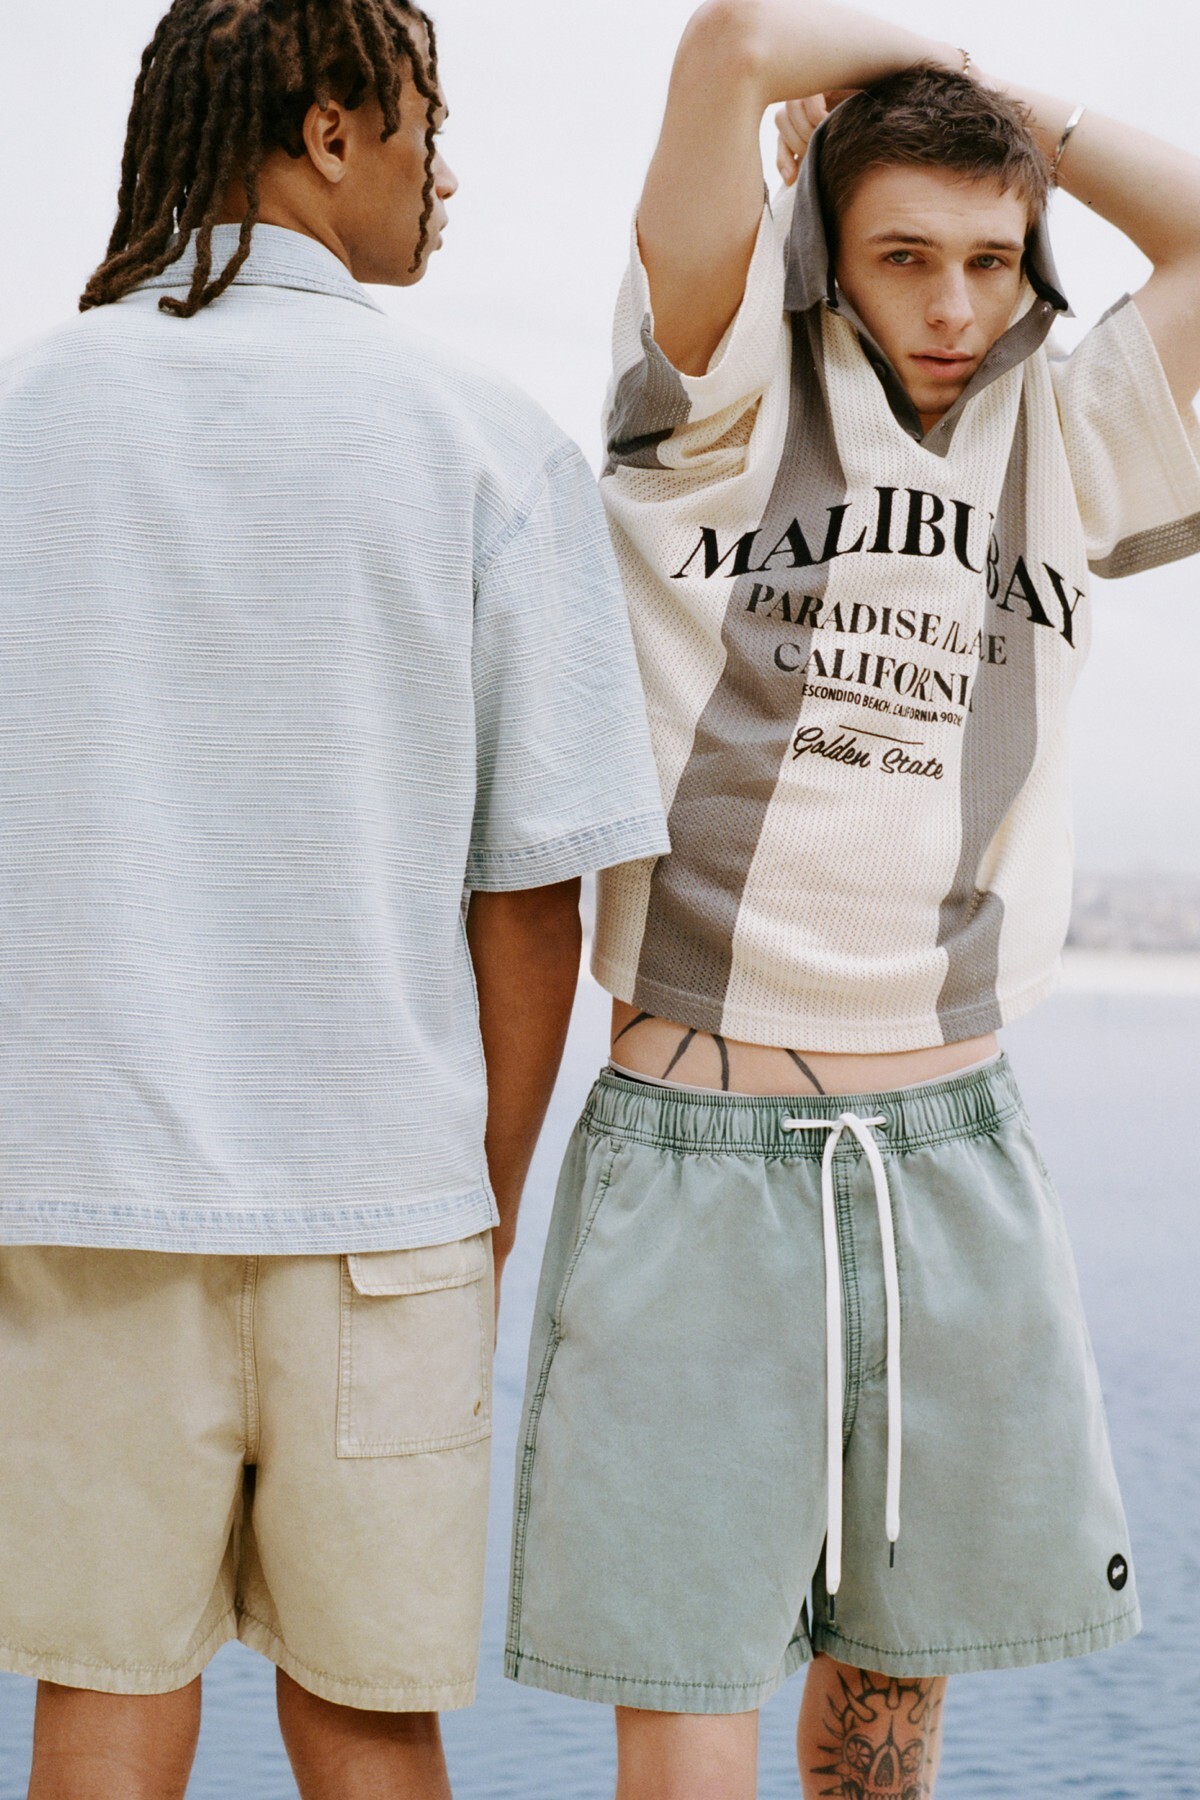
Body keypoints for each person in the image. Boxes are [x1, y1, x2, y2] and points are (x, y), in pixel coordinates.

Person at [504, 3, 1200, 1795]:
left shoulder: (1065, 430)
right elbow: (732, 39)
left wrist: (1011, 111)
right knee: (688, 1689)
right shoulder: (720, 390)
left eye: (992, 260)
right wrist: (882, 88)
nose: (955, 306)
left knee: (898, 1699)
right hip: (701, 1140)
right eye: (905, 258)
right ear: (826, 237)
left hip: (955, 1143)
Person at [0, 2, 668, 1796]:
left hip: (81, 1203)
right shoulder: (486, 444)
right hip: (387, 1216)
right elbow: (531, 902)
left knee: (100, 1705)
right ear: (329, 131)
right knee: (370, 1723)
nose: (445, 177)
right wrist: (485, 1207)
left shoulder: (20, 423)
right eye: (425, 128)